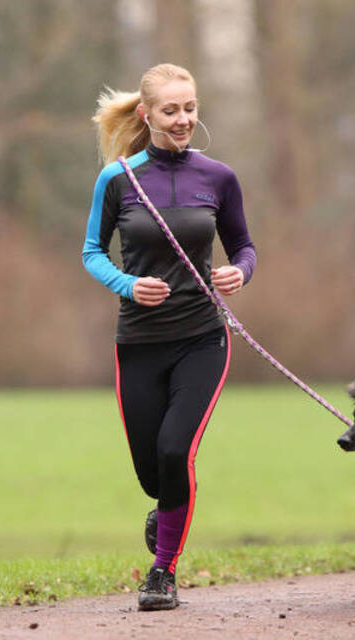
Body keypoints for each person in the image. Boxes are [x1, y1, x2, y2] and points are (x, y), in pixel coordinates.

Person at [82, 63, 256, 611]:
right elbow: (92, 252)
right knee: (151, 472)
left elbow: (244, 248)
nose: (183, 120)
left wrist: (239, 273)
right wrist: (128, 285)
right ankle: (166, 514)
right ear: (146, 114)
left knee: (175, 451)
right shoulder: (117, 179)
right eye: (171, 110)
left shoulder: (219, 178)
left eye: (190, 108)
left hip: (202, 337)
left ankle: (162, 572)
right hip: (138, 342)